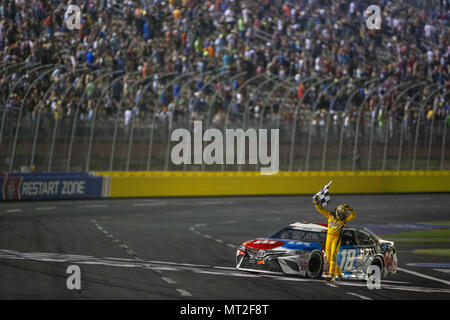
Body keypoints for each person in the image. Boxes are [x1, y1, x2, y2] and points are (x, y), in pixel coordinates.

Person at [313, 196, 356, 282]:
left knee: (333, 257)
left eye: (344, 214)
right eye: (342, 214)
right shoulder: (330, 215)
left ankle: (331, 275)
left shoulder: (343, 220)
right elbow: (321, 209)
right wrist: (317, 203)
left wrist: (349, 209)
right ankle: (339, 273)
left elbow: (353, 215)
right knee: (328, 258)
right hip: (328, 238)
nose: (343, 216)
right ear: (338, 212)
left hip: (336, 240)